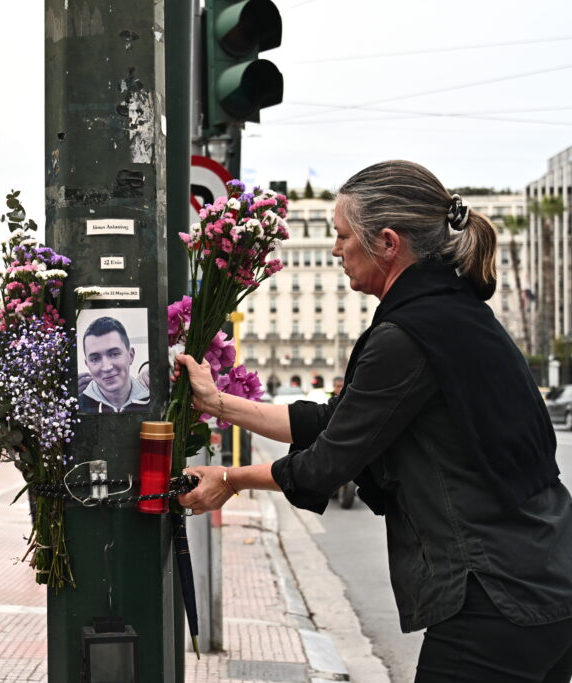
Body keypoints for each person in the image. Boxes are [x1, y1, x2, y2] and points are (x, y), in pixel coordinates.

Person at [177, 160, 572, 682]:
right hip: (549, 578)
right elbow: (333, 422)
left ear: (387, 242)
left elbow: (325, 464)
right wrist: (219, 402)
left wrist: (229, 479)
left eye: (342, 236)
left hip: (492, 595)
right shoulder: (455, 314)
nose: (335, 250)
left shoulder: (407, 336)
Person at [78, 316, 149, 413]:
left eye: (114, 354)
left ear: (131, 355)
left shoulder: (153, 397)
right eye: (95, 359)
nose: (106, 367)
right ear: (87, 364)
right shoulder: (76, 407)